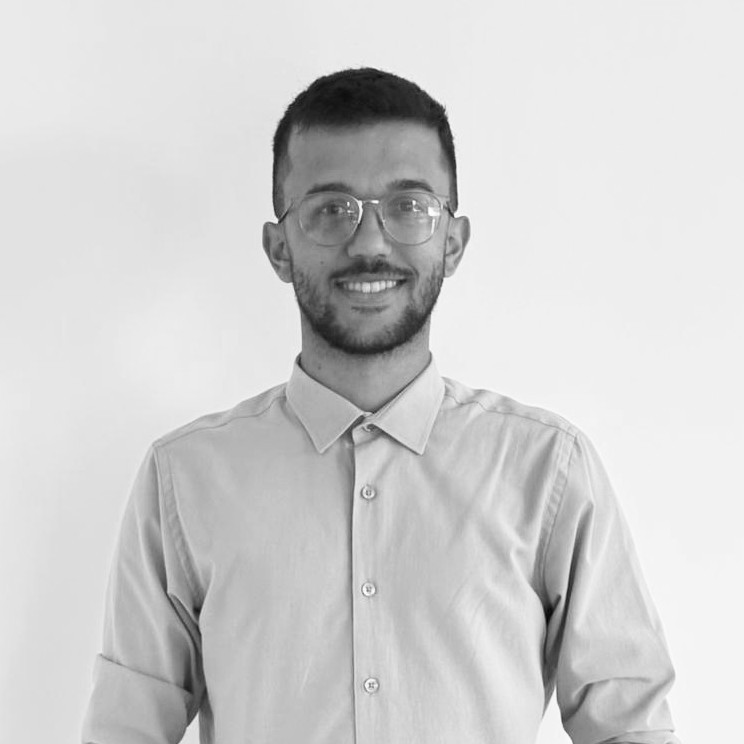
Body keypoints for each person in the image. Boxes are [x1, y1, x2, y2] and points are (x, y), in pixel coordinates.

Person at [82, 67, 680, 744]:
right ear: (279, 249)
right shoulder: (185, 479)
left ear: (452, 241)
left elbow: (631, 729)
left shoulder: (549, 471)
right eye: (330, 209)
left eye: (409, 206)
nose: (369, 243)